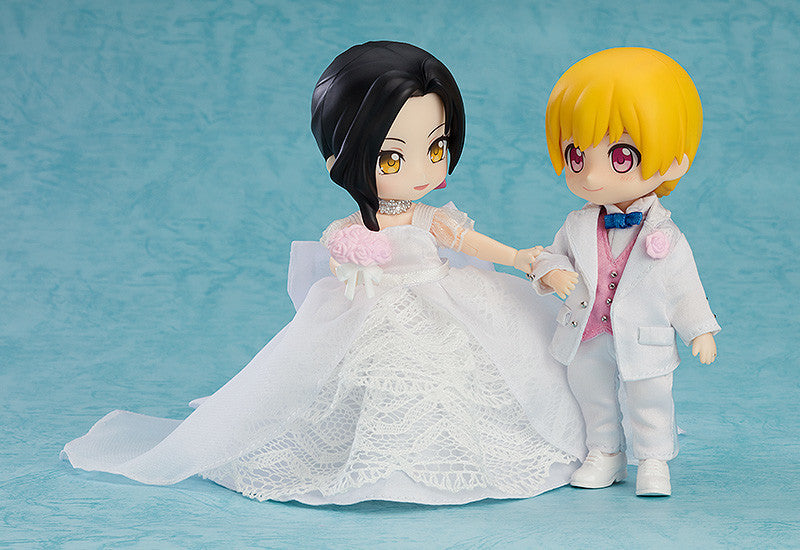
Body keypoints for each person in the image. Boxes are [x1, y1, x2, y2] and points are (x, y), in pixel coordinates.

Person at [61, 41, 584, 505]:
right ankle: (373, 457)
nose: (423, 170)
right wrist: (352, 259)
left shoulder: (427, 218)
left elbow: (467, 241)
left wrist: (522, 258)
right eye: (392, 157)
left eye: (435, 148)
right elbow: (339, 256)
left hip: (441, 300)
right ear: (342, 158)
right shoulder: (354, 225)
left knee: (472, 372)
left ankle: (452, 453)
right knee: (367, 378)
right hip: (373, 307)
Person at [530, 47, 720, 497]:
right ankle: (606, 453)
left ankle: (653, 459)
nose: (592, 176)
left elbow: (684, 287)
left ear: (675, 160)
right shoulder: (577, 224)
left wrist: (699, 330)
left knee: (650, 397)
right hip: (586, 331)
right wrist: (551, 272)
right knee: (591, 392)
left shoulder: (666, 235)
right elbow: (552, 255)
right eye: (577, 155)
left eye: (620, 156)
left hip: (644, 335)